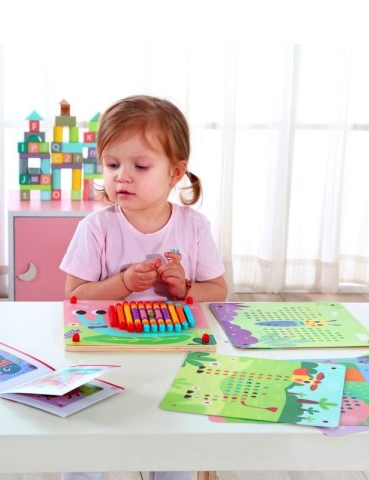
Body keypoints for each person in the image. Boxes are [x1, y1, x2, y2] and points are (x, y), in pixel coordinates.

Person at [60, 95, 228, 480]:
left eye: (140, 166)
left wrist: (185, 290)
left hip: (174, 355)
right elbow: (75, 295)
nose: (123, 176)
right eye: (112, 164)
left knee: (174, 445)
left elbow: (218, 290)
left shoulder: (193, 226)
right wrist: (121, 283)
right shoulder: (96, 228)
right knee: (85, 447)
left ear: (174, 172)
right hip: (106, 355)